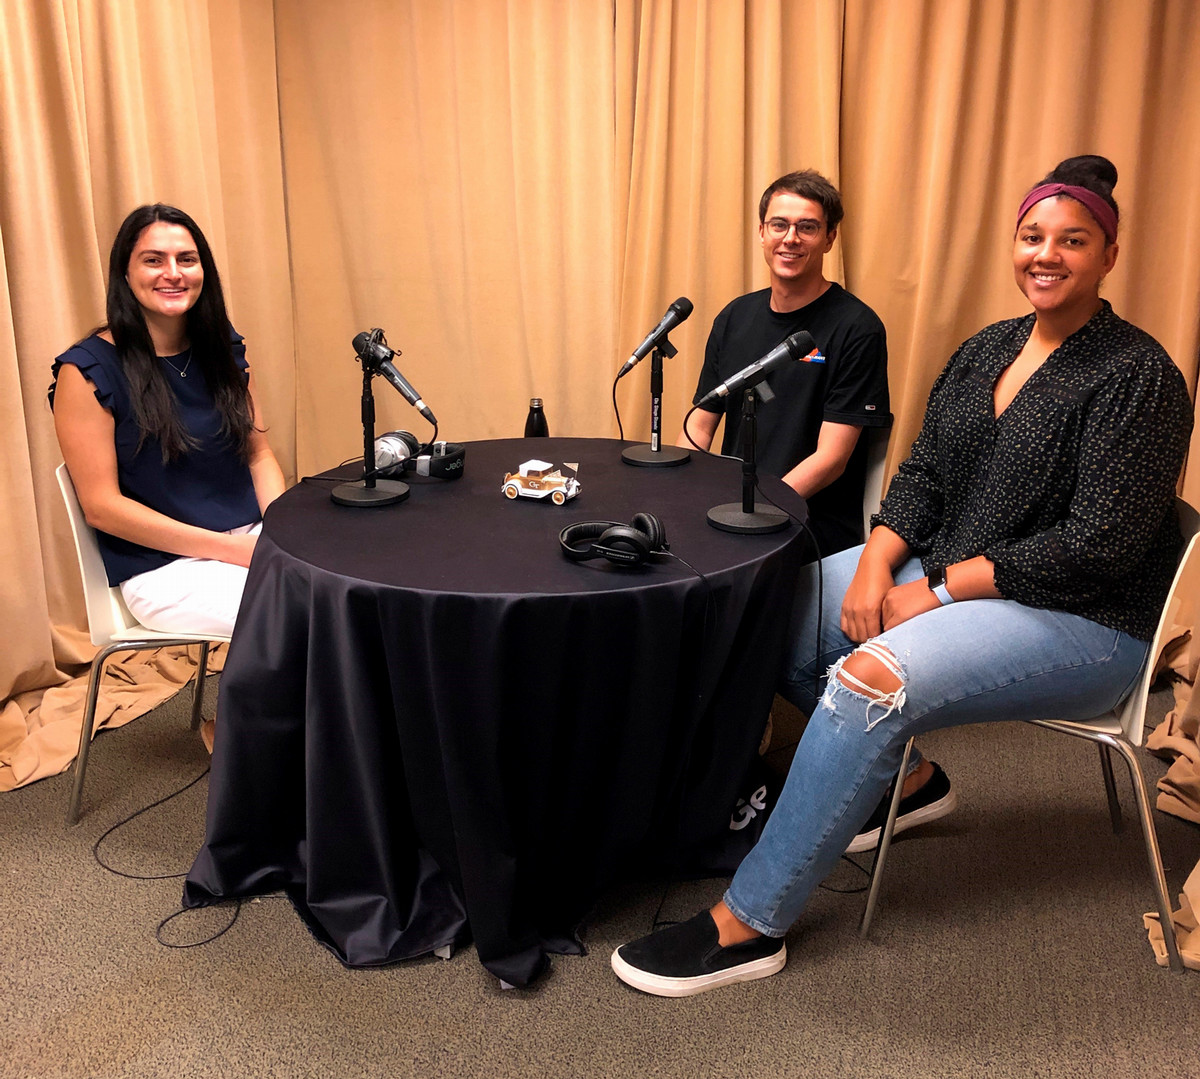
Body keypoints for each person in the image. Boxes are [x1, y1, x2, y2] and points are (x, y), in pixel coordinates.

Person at [613, 154, 1194, 997]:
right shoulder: (986, 348)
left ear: (1110, 252)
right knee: (762, 613)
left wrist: (941, 589)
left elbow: (1096, 546)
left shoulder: (1138, 377)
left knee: (869, 681)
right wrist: (879, 560)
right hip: (952, 560)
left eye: (1073, 240)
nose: (1047, 254)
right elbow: (921, 474)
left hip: (1088, 616)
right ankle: (909, 784)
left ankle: (749, 925)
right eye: (1034, 235)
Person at [680, 169, 952, 847]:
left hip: (806, 520)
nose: (790, 238)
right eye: (779, 224)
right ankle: (703, 762)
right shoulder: (736, 317)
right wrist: (687, 489)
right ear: (762, 231)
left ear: (829, 237)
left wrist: (755, 512)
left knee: (733, 612)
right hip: (729, 510)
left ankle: (902, 773)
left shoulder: (854, 326)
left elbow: (832, 458)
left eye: (807, 226)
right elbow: (701, 418)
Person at [49, 204, 285, 648]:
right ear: (125, 273)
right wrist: (237, 553)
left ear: (203, 272)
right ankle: (255, 718)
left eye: (187, 259)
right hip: (164, 568)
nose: (172, 273)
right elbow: (102, 507)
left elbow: (259, 454)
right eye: (153, 260)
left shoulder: (223, 348)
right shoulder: (86, 370)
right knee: (297, 616)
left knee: (351, 589)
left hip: (251, 542)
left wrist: (280, 532)